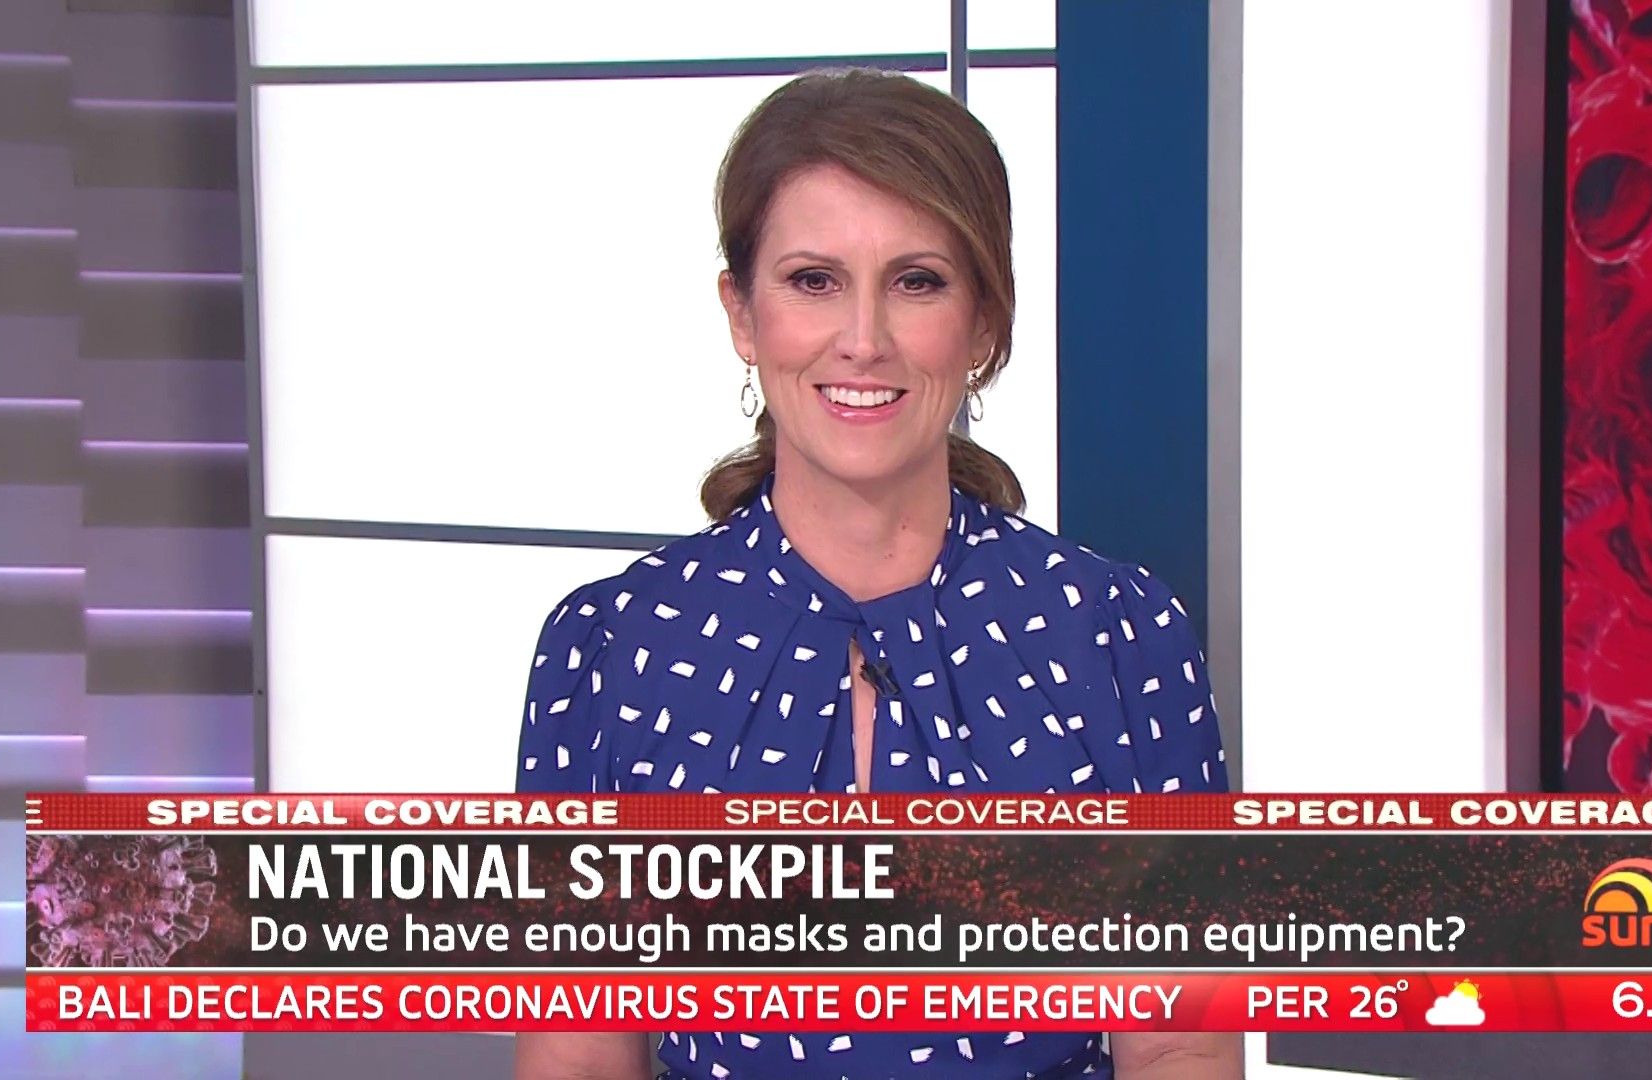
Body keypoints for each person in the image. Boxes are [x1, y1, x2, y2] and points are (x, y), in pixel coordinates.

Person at [514, 67, 1240, 1080]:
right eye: (814, 280)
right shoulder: (612, 645)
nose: (863, 340)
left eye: (917, 281)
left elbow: (1179, 1042)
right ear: (742, 313)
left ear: (984, 323)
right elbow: (581, 1055)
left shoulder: (1119, 637)